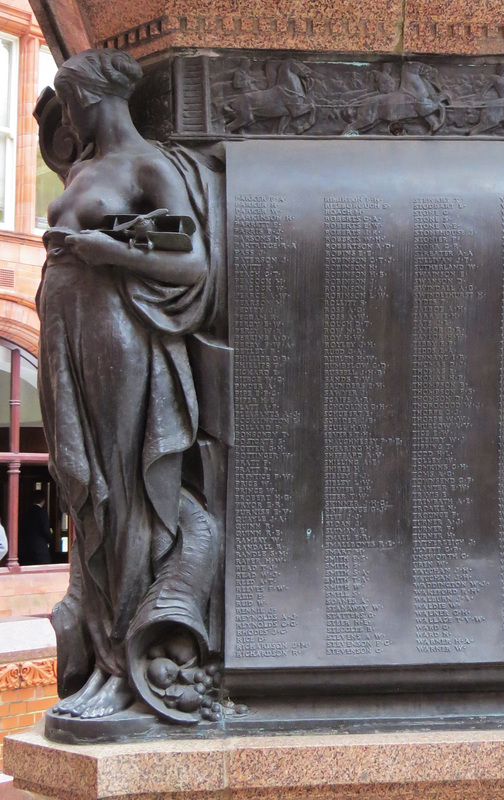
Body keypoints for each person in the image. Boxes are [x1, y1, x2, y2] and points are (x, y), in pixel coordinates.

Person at [39, 48, 218, 721]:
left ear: (92, 97)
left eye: (70, 98)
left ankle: (125, 669)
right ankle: (103, 651)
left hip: (117, 331)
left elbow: (194, 262)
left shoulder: (150, 165)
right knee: (83, 486)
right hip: (67, 333)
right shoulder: (85, 166)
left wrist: (102, 250)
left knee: (122, 494)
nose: (69, 114)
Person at [18, 490, 52, 565]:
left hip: (26, 548)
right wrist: (50, 540)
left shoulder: (26, 512)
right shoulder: (42, 512)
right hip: (40, 549)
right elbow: (46, 530)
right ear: (43, 500)